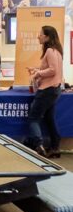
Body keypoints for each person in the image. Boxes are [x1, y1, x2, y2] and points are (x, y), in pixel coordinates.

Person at [26, 26, 64, 158]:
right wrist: (37, 69)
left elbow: (52, 70)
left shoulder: (49, 50)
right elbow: (51, 69)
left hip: (47, 90)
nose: (38, 36)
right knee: (49, 118)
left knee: (33, 118)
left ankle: (39, 146)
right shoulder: (56, 51)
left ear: (47, 37)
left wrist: (38, 73)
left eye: (40, 34)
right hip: (54, 89)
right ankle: (55, 147)